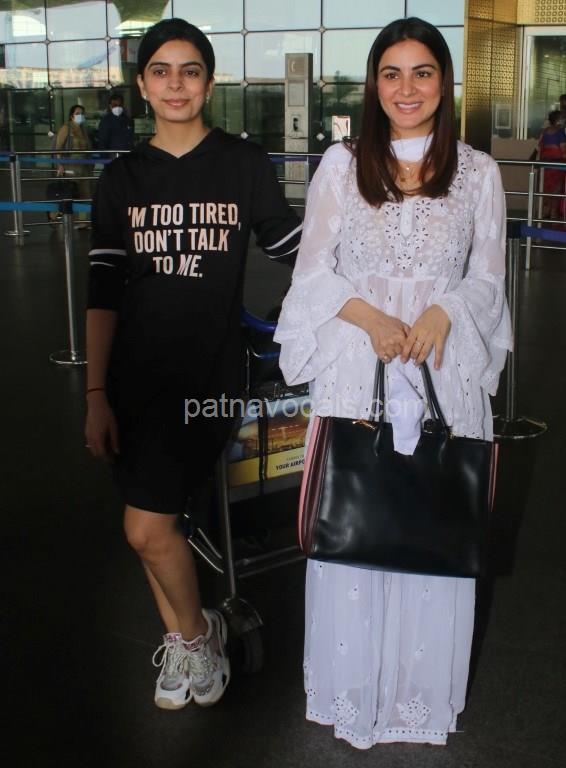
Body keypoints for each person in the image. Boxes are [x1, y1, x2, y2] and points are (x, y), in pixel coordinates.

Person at [275, 17, 511, 749]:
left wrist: (446, 310)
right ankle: (353, 693)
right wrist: (372, 319)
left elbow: (489, 279)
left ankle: (416, 697)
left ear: (445, 82)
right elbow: (312, 272)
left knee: (433, 520)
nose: (407, 89)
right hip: (358, 362)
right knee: (357, 515)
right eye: (391, 73)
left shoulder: (479, 172)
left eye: (422, 72)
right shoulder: (341, 164)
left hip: (443, 366)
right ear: (373, 84)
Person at [84, 18, 301, 711]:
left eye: (190, 71)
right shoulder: (121, 178)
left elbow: (293, 245)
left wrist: (381, 259)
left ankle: (200, 632)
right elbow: (103, 293)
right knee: (153, 525)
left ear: (209, 82)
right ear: (142, 85)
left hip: (208, 376)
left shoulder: (242, 164)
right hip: (134, 379)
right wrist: (95, 391)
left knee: (144, 527)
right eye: (161, 71)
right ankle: (185, 642)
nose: (175, 84)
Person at [55, 104, 92, 228]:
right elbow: (58, 147)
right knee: (69, 193)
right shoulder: (66, 128)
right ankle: (56, 217)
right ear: (71, 116)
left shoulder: (84, 130)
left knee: (85, 193)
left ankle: (83, 221)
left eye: (82, 113)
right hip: (70, 166)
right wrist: (60, 164)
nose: (80, 115)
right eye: (77, 113)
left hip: (84, 167)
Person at [538, 110, 566, 220]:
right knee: (557, 188)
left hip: (545, 165)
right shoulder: (561, 133)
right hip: (557, 165)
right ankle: (553, 213)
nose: (564, 120)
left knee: (546, 188)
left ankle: (545, 211)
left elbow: (540, 147)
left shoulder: (545, 132)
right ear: (557, 120)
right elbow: (564, 152)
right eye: (562, 118)